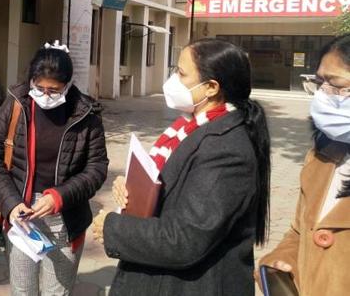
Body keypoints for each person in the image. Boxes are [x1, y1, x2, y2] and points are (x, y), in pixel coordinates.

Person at [93, 38, 271, 295]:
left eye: (181, 73)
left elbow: (187, 238)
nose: (172, 80)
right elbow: (169, 183)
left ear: (211, 87)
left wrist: (112, 228)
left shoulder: (226, 149)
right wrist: (132, 186)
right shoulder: (191, 126)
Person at [0, 42, 109, 295]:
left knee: (57, 291)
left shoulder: (86, 115)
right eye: (39, 88)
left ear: (68, 85)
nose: (46, 96)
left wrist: (59, 197)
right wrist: (11, 202)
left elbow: (96, 168)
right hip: (21, 212)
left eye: (54, 90)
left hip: (66, 215)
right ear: (31, 82)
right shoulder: (16, 104)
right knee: (22, 289)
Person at [258, 34, 350, 295]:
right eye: (320, 82)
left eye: (334, 83)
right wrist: (283, 262)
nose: (323, 94)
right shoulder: (322, 155)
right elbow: (300, 233)